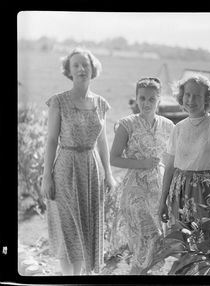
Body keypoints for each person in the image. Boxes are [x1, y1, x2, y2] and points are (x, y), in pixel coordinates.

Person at [41, 47, 116, 275]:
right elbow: (52, 140)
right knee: (68, 228)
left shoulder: (101, 103)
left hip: (91, 170)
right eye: (76, 65)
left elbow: (102, 142)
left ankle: (79, 277)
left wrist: (109, 174)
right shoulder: (58, 102)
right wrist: (47, 176)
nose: (82, 68)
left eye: (86, 64)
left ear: (93, 69)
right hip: (65, 168)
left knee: (86, 226)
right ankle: (67, 278)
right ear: (69, 71)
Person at [109, 77, 174, 274]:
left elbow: (171, 160)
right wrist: (141, 164)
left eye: (151, 99)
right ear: (136, 98)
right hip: (135, 190)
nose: (146, 103)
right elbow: (114, 159)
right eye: (142, 98)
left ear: (159, 100)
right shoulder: (126, 124)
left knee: (155, 245)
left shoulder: (169, 126)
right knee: (146, 240)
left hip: (159, 190)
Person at [158, 74, 210, 228]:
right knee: (179, 242)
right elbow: (170, 167)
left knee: (203, 241)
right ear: (181, 96)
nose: (191, 100)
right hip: (178, 190)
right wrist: (162, 201)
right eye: (187, 95)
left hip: (205, 191)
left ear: (206, 98)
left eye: (197, 96)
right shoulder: (178, 128)